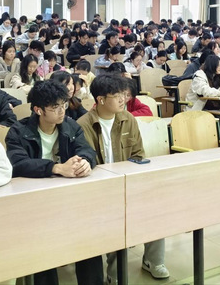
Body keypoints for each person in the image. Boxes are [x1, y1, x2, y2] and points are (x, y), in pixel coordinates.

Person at [5, 80, 100, 285]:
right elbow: (18, 164)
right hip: (33, 202)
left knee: (90, 236)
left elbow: (86, 150)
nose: (61, 111)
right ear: (38, 110)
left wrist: (85, 162)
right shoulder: (18, 131)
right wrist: (56, 168)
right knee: (42, 242)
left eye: (63, 105)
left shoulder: (70, 126)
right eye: (55, 107)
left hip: (67, 197)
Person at [78, 74, 169, 282]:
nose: (123, 100)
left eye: (124, 95)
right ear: (101, 100)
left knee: (156, 207)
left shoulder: (128, 119)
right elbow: (87, 163)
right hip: (100, 189)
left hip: (128, 182)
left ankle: (154, 260)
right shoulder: (83, 125)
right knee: (115, 217)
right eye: (117, 95)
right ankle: (115, 273)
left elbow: (138, 155)